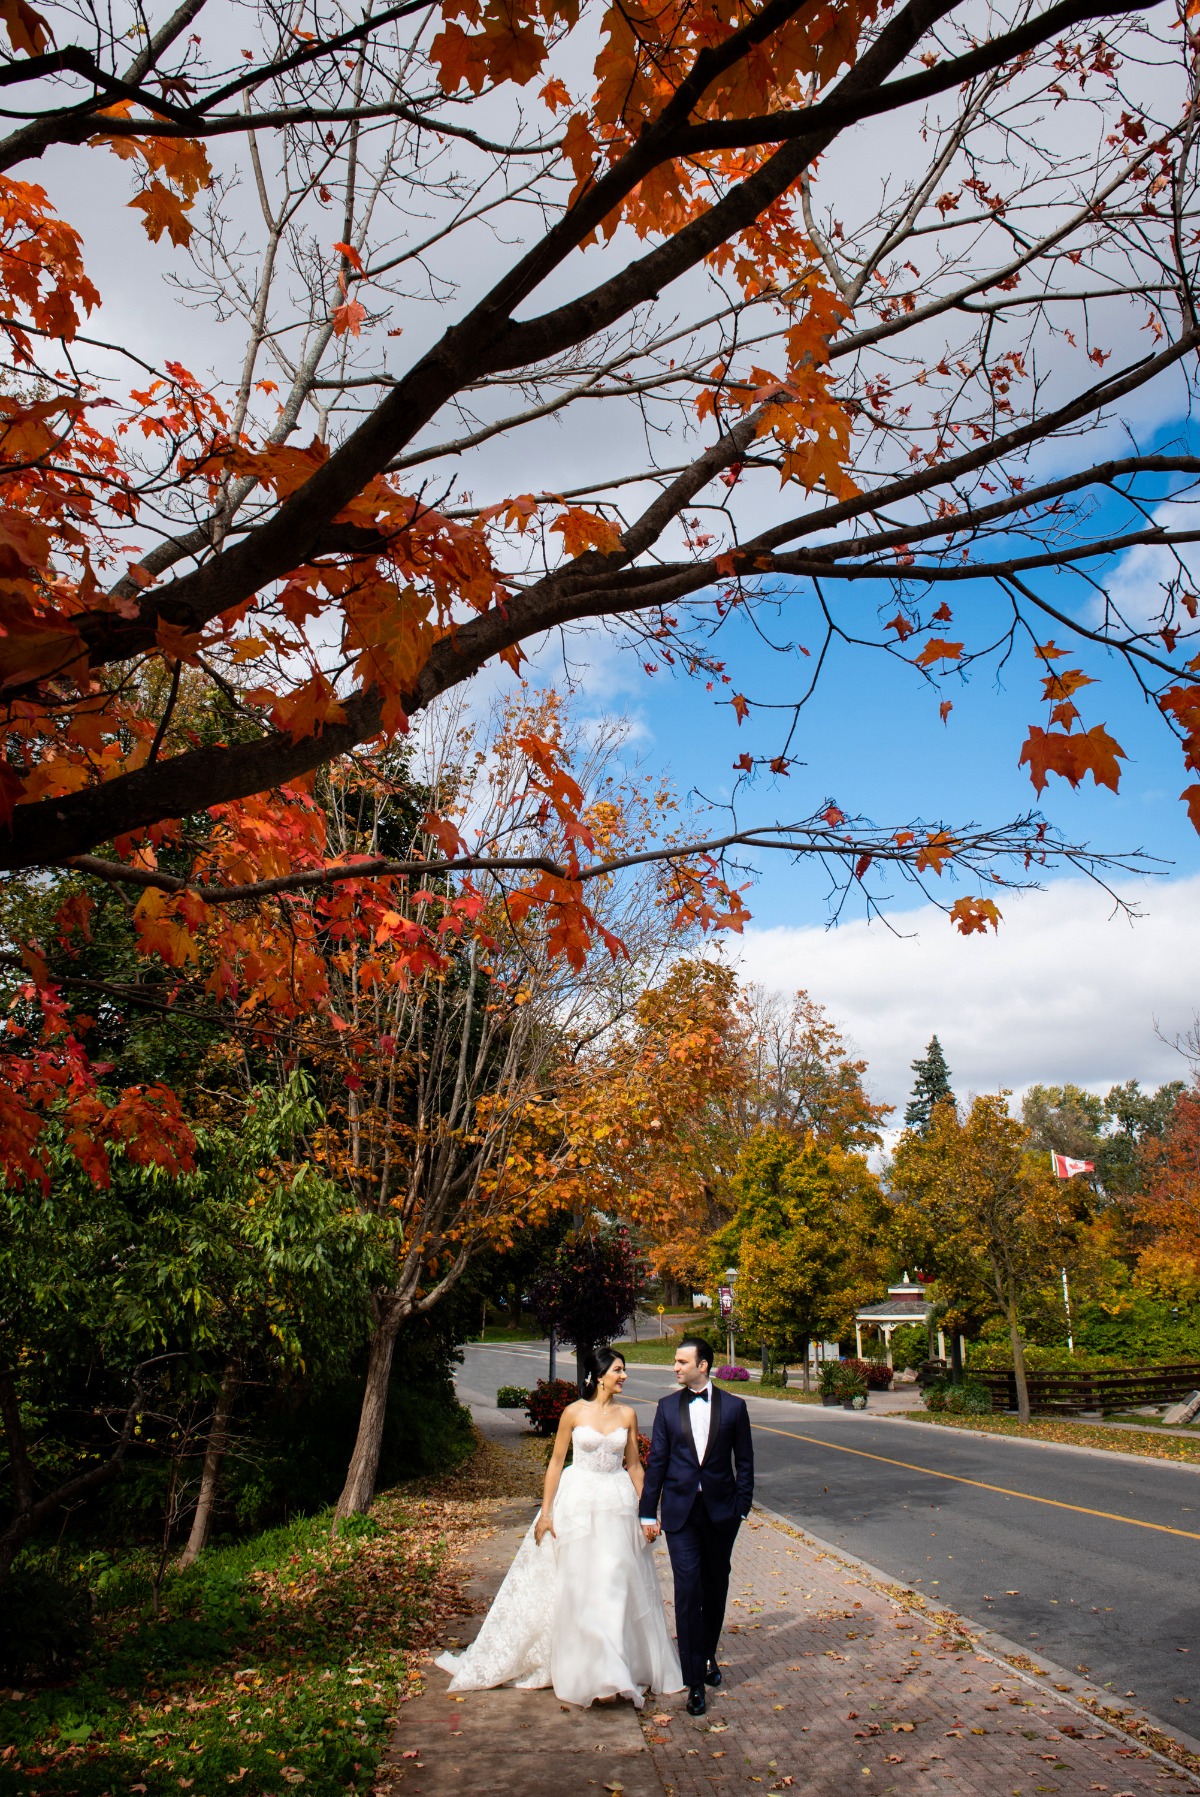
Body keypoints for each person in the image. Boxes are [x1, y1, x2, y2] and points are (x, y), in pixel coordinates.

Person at [435, 1346, 683, 1708]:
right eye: (618, 1370)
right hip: (578, 1501)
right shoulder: (572, 1413)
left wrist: (647, 1512)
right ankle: (590, 1669)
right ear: (599, 1376)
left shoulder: (628, 1414)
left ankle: (614, 1670)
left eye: (624, 1370)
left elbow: (633, 1466)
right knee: (581, 1584)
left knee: (615, 1582)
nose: (624, 1376)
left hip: (616, 1504)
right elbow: (554, 1464)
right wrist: (547, 1512)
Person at [638, 1335, 754, 1717]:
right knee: (688, 1589)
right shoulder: (667, 1407)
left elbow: (745, 1463)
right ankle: (695, 1683)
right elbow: (657, 1462)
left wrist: (741, 1509)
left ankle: (707, 1655)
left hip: (722, 1513)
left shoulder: (735, 1408)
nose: (675, 1367)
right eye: (675, 1362)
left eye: (681, 1362)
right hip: (681, 1513)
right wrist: (647, 1512)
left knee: (715, 1586)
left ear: (702, 1365)